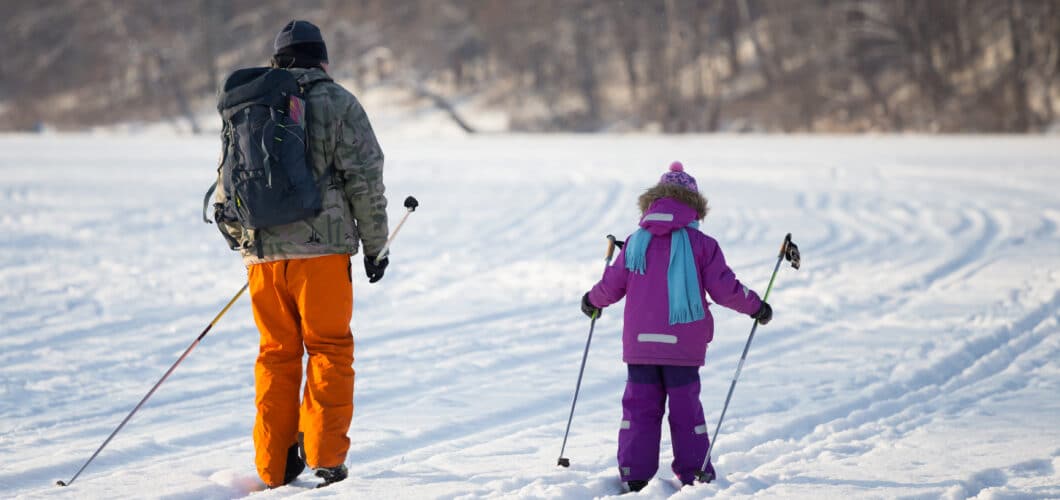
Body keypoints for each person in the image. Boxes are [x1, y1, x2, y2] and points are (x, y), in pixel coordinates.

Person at [212, 20, 389, 488]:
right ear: (322, 58)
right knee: (329, 349)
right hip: (322, 253)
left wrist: (245, 239)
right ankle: (327, 457)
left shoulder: (251, 102)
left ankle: (273, 466)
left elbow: (228, 178)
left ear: (279, 60)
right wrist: (376, 247)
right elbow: (365, 179)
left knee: (276, 355)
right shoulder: (338, 102)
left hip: (262, 256)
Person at [580, 162, 772, 492]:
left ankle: (635, 474)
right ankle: (694, 473)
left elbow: (611, 285)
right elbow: (726, 289)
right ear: (693, 206)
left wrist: (591, 301)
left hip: (640, 347)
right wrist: (757, 306)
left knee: (639, 410)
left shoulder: (635, 242)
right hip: (682, 348)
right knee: (686, 412)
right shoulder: (702, 245)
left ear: (653, 202)